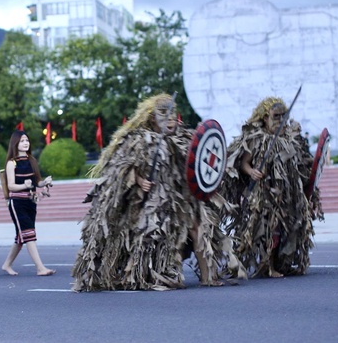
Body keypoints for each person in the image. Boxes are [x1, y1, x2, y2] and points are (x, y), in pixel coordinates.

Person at [72, 94, 243, 291]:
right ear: (152, 116)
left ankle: (208, 276)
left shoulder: (184, 137)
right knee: (162, 238)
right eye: (163, 114)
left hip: (183, 198)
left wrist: (209, 178)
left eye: (171, 114)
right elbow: (122, 167)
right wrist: (139, 180)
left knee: (199, 229)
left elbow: (203, 161)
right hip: (153, 201)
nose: (170, 119)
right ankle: (160, 274)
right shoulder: (138, 139)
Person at [222, 97, 323, 278]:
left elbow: (304, 167)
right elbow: (244, 163)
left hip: (288, 193)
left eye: (283, 116)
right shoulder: (257, 139)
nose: (280, 120)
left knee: (288, 228)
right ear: (264, 118)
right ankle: (268, 265)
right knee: (270, 228)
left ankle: (281, 262)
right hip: (265, 193)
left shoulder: (291, 140)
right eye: (276, 116)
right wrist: (252, 172)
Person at [0, 131, 55, 276]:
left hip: (31, 202)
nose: (26, 143)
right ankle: (40, 268)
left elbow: (37, 182)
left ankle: (6, 264)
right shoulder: (11, 163)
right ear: (15, 143)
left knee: (22, 235)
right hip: (17, 203)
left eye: (27, 140)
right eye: (22, 141)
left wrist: (45, 183)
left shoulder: (32, 160)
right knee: (29, 234)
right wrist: (25, 185)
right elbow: (11, 186)